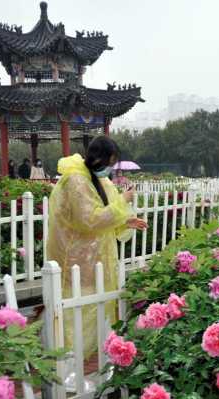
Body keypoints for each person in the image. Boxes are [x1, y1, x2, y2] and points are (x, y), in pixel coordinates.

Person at [46, 136, 148, 357]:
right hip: (77, 262)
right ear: (98, 158)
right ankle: (70, 368)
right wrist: (124, 200)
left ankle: (89, 364)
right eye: (109, 163)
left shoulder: (94, 179)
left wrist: (125, 221)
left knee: (95, 314)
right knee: (77, 318)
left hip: (94, 262)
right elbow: (90, 220)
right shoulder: (76, 181)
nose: (110, 169)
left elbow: (103, 214)